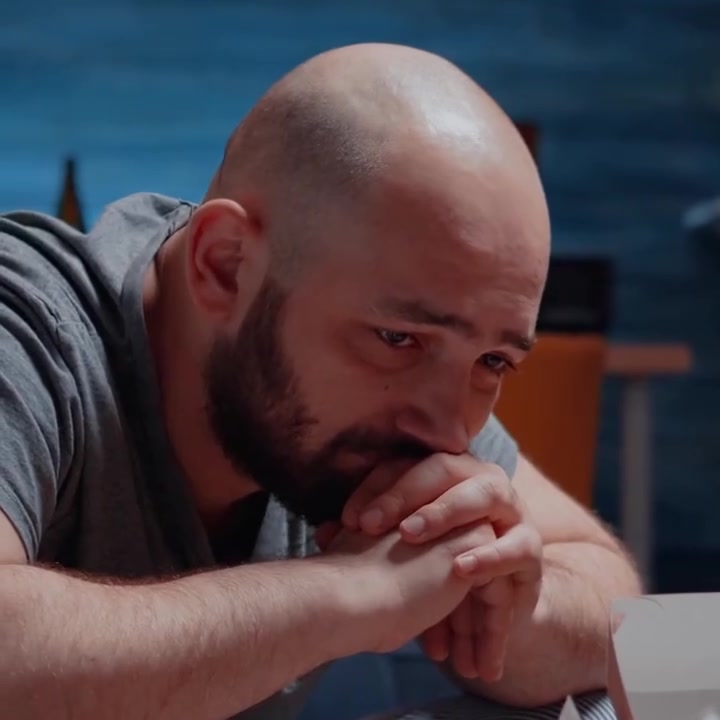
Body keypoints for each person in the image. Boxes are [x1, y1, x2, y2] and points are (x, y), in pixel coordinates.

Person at [0, 43, 639, 720]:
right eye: (398, 338)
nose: (452, 433)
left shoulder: (405, 405)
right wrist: (350, 593)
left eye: (494, 363)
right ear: (225, 266)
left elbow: (613, 598)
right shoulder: (31, 324)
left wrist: (501, 599)